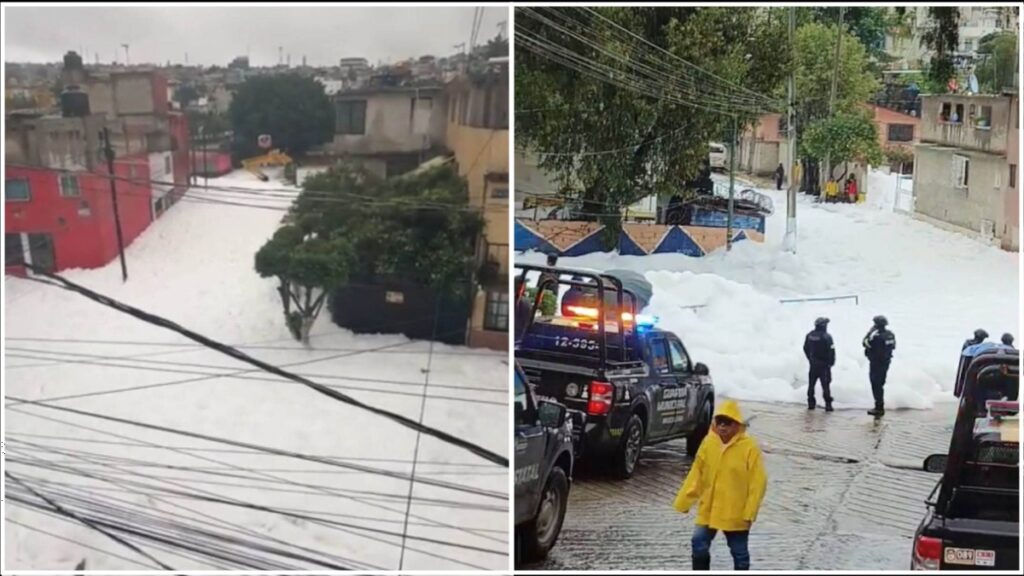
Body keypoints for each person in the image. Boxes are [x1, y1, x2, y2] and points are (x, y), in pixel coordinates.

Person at [674, 400, 768, 571]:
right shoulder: (708, 443)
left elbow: (758, 482)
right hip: (708, 510)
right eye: (719, 422)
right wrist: (684, 500)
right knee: (698, 543)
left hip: (735, 513)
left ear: (737, 424)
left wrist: (750, 511)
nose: (723, 427)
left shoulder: (749, 448)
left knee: (739, 552)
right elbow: (697, 474)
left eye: (728, 422)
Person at [863, 315, 896, 417]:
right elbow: (893, 346)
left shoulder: (876, 336)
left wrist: (869, 333)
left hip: (876, 363)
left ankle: (879, 407)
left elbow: (865, 343)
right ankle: (879, 406)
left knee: (875, 384)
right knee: (880, 384)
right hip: (886, 362)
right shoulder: (890, 334)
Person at [804, 317, 835, 411]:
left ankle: (811, 403)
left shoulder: (810, 335)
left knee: (811, 384)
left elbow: (805, 348)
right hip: (824, 365)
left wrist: (810, 358)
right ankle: (828, 404)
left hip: (813, 364)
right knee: (826, 385)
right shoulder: (827, 337)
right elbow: (831, 351)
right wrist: (831, 362)